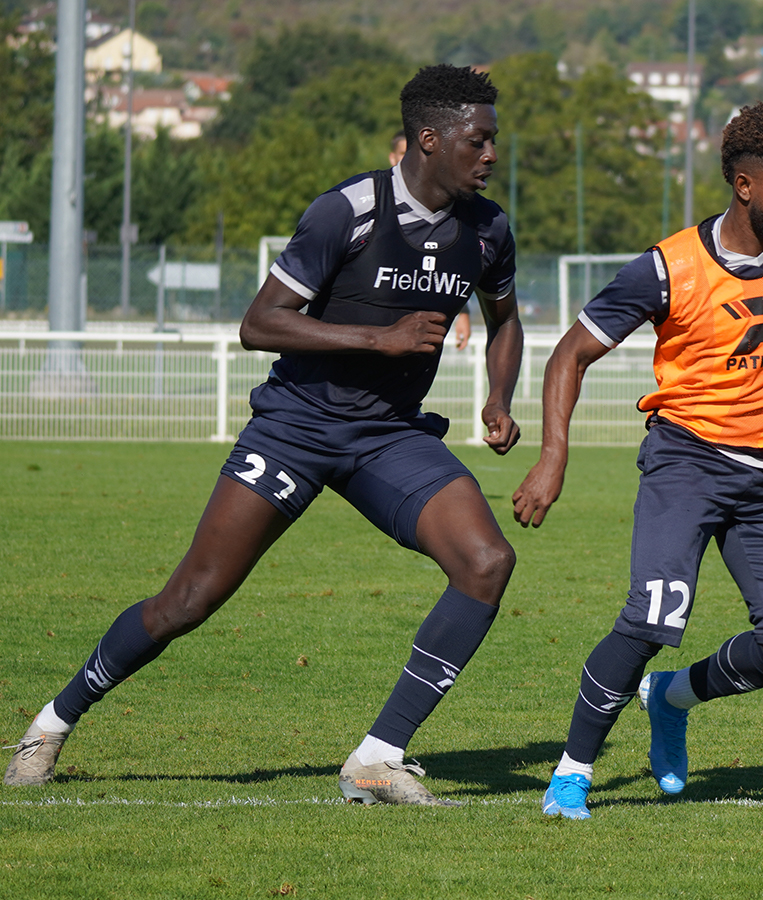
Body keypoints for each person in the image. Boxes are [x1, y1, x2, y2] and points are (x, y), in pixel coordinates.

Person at [4, 64, 523, 806]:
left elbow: (507, 322)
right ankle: (51, 723)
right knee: (188, 599)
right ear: (429, 139)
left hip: (388, 437)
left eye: (493, 141)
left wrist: (499, 397)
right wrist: (380, 341)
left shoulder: (488, 229)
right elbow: (259, 323)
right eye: (479, 141)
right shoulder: (347, 210)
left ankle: (377, 758)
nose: (491, 155)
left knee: (486, 561)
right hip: (296, 428)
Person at [513, 101, 763, 819]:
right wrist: (552, 458)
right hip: (689, 462)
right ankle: (573, 771)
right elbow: (571, 353)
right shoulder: (669, 270)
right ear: (745, 185)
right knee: (653, 618)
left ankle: (672, 697)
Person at [391, 129, 474, 352]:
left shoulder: (441, 208)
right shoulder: (375, 204)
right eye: (401, 153)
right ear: (393, 157)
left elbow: (444, 270)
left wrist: (463, 313)